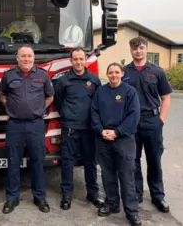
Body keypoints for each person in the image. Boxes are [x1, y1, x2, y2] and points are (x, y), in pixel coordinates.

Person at [0, 45, 54, 214]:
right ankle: (12, 197)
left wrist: (39, 110)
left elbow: (50, 96)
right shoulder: (8, 75)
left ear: (33, 57)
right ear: (17, 58)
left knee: (37, 161)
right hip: (15, 124)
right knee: (13, 161)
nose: (27, 59)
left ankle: (39, 197)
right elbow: (2, 95)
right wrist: (13, 109)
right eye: (23, 56)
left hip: (35, 124)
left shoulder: (42, 75)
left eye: (29, 56)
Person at [122, 36, 172, 213]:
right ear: (131, 50)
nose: (138, 51)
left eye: (141, 48)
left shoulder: (157, 72)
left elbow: (166, 97)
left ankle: (158, 196)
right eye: (135, 48)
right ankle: (135, 193)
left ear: (146, 49)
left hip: (152, 121)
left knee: (154, 160)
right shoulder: (124, 72)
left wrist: (161, 121)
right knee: (132, 160)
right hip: (131, 122)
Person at [91, 62, 142, 226]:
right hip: (103, 139)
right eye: (110, 72)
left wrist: (117, 132)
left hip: (123, 139)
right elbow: (94, 112)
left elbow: (134, 116)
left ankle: (132, 212)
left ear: (121, 74)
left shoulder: (129, 92)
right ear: (107, 74)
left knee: (127, 176)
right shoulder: (101, 91)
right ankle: (112, 204)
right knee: (108, 174)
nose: (113, 75)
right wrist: (100, 130)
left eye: (116, 72)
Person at [53, 47, 104, 210]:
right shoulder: (64, 80)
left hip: (89, 129)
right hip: (70, 128)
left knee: (90, 162)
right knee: (67, 162)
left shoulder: (94, 80)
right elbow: (58, 100)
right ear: (71, 61)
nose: (78, 62)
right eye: (75, 59)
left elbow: (99, 103)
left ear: (85, 60)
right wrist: (67, 114)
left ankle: (93, 194)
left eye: (81, 59)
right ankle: (67, 195)